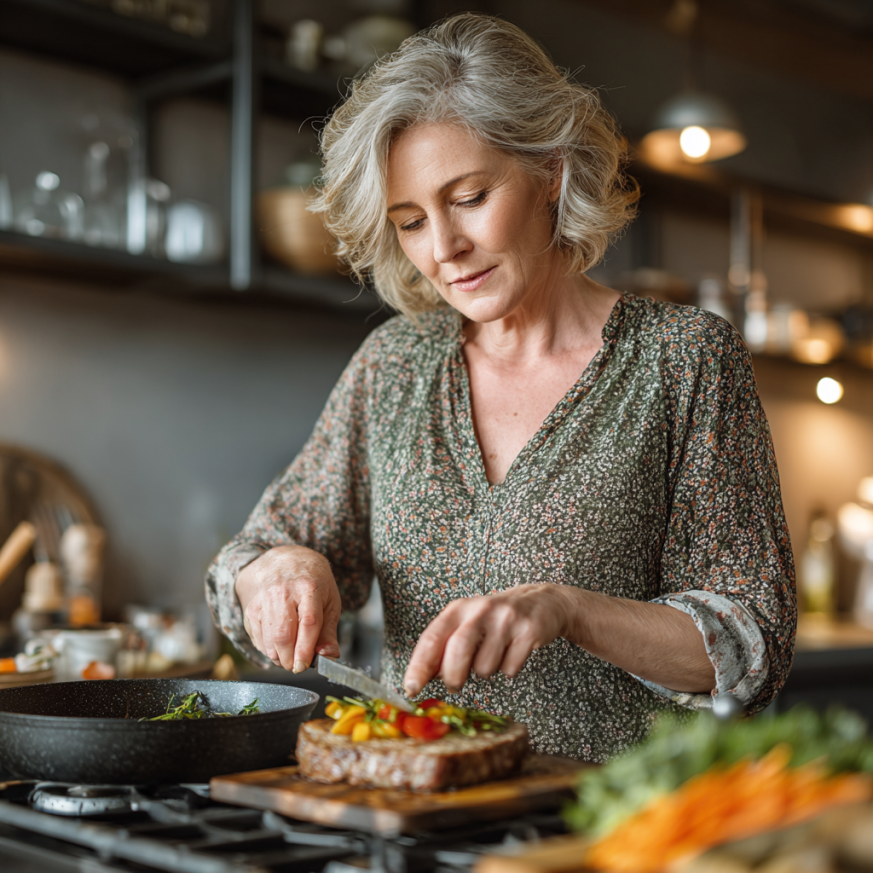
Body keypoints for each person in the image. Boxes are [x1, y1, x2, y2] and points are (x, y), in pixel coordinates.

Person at [206, 13, 796, 761]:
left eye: (469, 197)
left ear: (550, 170)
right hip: (419, 821)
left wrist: (567, 610)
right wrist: (280, 570)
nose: (443, 249)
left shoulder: (681, 359)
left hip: (609, 828)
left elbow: (750, 644)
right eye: (411, 220)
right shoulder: (395, 364)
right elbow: (252, 556)